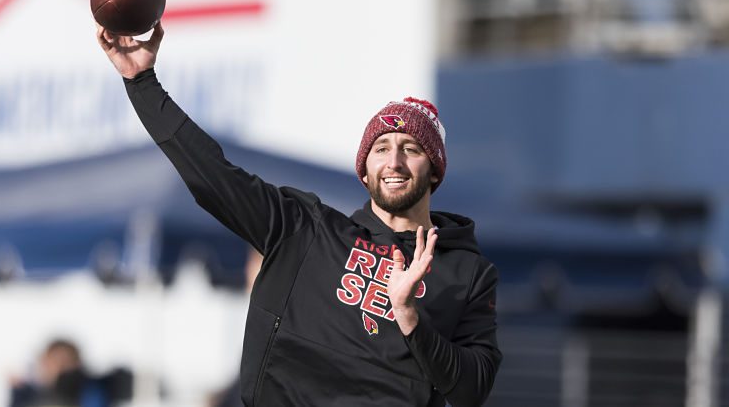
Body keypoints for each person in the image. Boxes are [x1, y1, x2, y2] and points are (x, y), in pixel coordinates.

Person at [96, 23, 501, 406]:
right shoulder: (307, 228)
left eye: (411, 149)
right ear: (364, 169)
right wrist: (141, 82)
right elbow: (211, 172)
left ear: (434, 171)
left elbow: (472, 391)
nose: (393, 161)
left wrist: (410, 316)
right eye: (381, 148)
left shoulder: (468, 273)